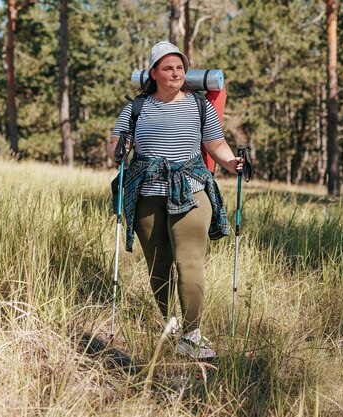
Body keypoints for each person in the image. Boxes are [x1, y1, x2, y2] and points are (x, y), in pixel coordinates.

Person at [108, 41, 241, 360]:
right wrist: (118, 150)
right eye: (168, 68)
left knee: (190, 260)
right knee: (158, 264)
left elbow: (215, 144)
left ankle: (192, 335)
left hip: (191, 188)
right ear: (153, 73)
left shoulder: (198, 105)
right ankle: (171, 324)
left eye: (180, 67)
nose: (176, 72)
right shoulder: (137, 108)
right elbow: (115, 145)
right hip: (146, 193)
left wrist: (232, 162)